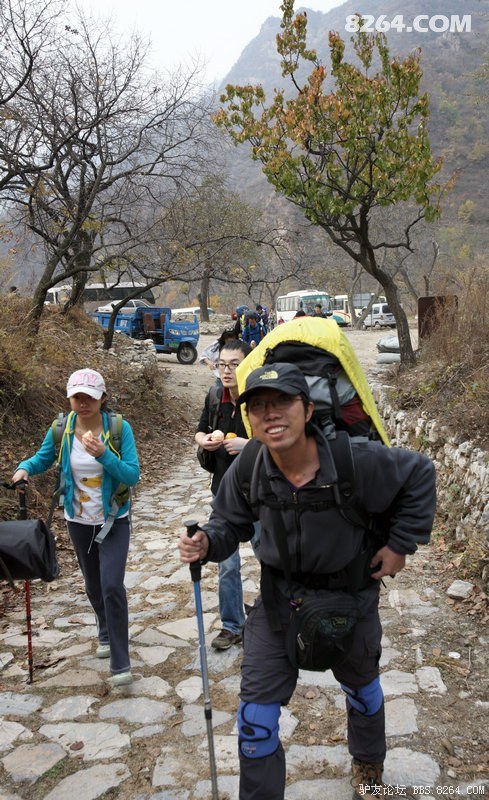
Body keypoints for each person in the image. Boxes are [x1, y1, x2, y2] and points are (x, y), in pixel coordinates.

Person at [179, 362, 436, 800]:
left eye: (282, 402)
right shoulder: (251, 467)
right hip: (279, 602)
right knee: (255, 721)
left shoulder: (353, 460)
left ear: (308, 408)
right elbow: (227, 522)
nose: (270, 414)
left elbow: (420, 474)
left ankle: (369, 763)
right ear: (249, 417)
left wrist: (399, 546)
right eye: (258, 406)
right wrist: (206, 543)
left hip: (350, 599)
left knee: (363, 693)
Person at [12, 368, 140, 687]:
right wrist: (24, 468)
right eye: (77, 397)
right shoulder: (62, 429)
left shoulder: (118, 429)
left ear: (102, 399)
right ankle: (105, 630)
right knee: (94, 585)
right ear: (69, 398)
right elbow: (44, 459)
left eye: (90, 397)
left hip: (114, 519)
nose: (83, 403)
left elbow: (132, 475)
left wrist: (104, 455)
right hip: (78, 520)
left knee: (112, 585)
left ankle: (120, 662)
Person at [195, 339, 256, 650]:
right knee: (227, 564)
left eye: (234, 364)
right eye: (222, 364)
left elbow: (279, 440)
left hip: (259, 494)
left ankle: (276, 617)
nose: (227, 370)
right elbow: (200, 428)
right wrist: (206, 439)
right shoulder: (215, 394)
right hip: (224, 493)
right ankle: (232, 625)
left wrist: (247, 446)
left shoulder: (258, 396)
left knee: (273, 559)